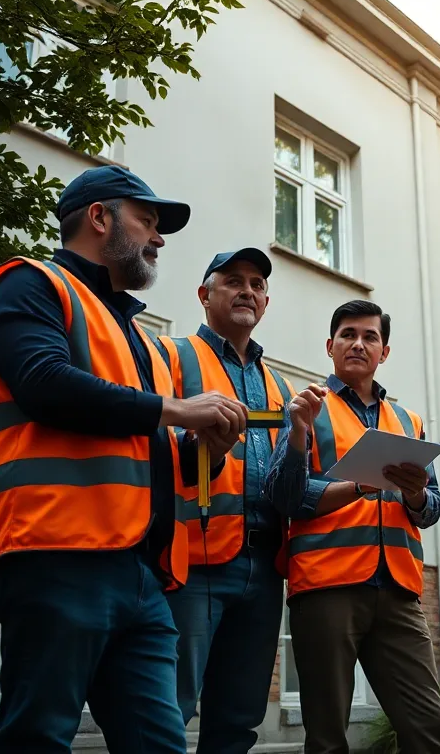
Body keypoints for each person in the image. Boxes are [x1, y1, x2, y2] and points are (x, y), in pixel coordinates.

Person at [0, 165, 248, 753]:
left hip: (142, 575)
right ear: (99, 218)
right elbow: (43, 383)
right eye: (147, 220)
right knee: (38, 739)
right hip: (53, 552)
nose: (159, 238)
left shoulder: (146, 341)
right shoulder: (28, 283)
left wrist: (209, 450)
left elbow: (167, 454)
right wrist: (180, 411)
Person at [265, 300, 440, 754]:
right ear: (330, 346)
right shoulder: (306, 410)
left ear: (384, 352)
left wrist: (414, 494)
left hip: (399, 592)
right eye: (348, 334)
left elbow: (432, 507)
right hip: (328, 587)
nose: (358, 344)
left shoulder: (409, 423)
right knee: (327, 738)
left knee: (428, 730)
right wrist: (300, 438)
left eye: (370, 337)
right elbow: (284, 497)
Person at [155, 248, 294, 754]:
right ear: (204, 294)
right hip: (192, 563)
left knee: (238, 718)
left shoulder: (277, 384)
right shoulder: (171, 356)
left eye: (257, 284)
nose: (248, 291)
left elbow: (282, 473)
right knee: (167, 708)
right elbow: (153, 452)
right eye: (234, 280)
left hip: (263, 566)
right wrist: (203, 451)